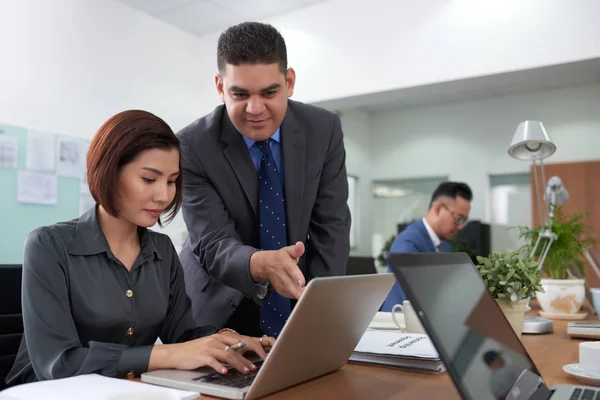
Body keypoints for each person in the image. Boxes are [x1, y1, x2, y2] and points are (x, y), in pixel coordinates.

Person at [5, 110, 274, 387]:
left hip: (124, 391)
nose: (164, 196)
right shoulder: (48, 246)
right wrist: (166, 354)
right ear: (108, 171)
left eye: (171, 181)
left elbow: (182, 335)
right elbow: (59, 363)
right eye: (149, 179)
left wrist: (229, 343)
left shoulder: (163, 250)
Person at [178, 22, 351, 338]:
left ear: (290, 82)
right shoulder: (192, 146)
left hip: (298, 299)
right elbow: (212, 243)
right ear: (220, 87)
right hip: (219, 310)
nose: (255, 109)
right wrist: (260, 263)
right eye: (239, 94)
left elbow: (332, 227)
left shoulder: (323, 130)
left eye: (269, 92)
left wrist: (320, 310)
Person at [381, 181, 472, 311]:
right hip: (399, 325)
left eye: (464, 221)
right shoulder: (409, 243)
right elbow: (415, 302)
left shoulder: (444, 246)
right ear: (438, 209)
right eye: (458, 218)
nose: (461, 226)